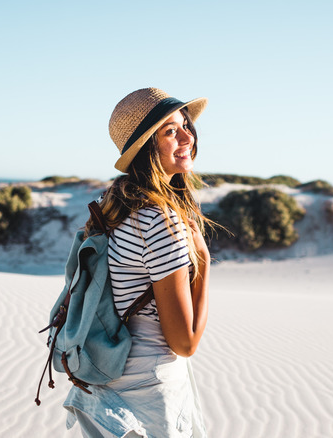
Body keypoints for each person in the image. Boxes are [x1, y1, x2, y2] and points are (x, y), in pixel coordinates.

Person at [64, 87, 212, 438]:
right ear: (147, 148)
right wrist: (204, 263)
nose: (187, 137)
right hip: (147, 397)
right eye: (170, 131)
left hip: (106, 385)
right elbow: (185, 343)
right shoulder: (159, 220)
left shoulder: (113, 204)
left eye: (186, 125)